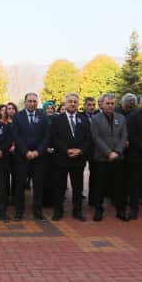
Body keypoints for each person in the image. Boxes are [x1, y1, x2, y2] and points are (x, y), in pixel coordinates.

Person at [50, 93, 92, 221]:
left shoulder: (83, 119)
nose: (73, 103)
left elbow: (88, 138)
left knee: (78, 187)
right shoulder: (57, 119)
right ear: (65, 103)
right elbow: (55, 138)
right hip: (61, 158)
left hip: (78, 159)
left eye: (75, 101)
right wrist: (66, 150)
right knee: (60, 187)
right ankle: (58, 211)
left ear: (78, 104)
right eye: (70, 101)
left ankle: (77, 211)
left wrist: (80, 150)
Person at [90, 94, 128, 221]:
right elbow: (96, 137)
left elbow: (124, 136)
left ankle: (120, 210)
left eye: (112, 103)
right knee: (100, 185)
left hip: (118, 157)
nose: (110, 106)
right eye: (107, 103)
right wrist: (108, 153)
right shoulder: (96, 118)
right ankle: (98, 210)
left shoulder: (121, 118)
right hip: (102, 158)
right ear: (102, 104)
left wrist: (117, 151)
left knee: (119, 185)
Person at [13, 93, 50, 221]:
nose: (32, 103)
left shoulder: (43, 116)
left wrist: (37, 152)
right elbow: (16, 136)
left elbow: (46, 136)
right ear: (25, 102)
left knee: (38, 186)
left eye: (34, 101)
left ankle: (37, 211)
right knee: (20, 185)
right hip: (22, 157)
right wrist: (26, 152)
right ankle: (19, 211)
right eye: (30, 101)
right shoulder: (18, 116)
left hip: (38, 158)